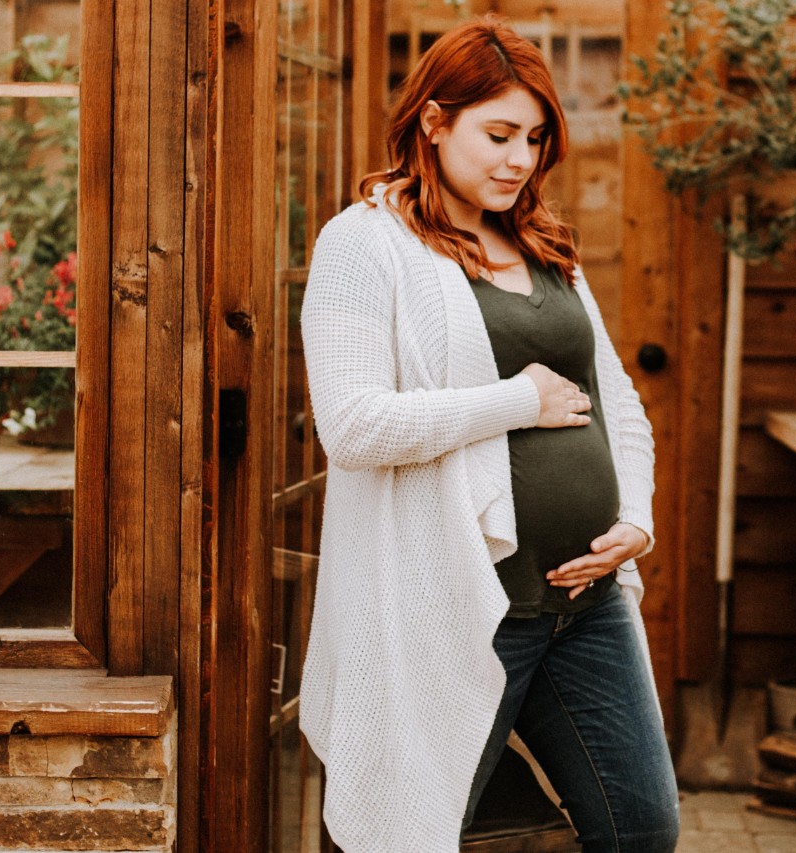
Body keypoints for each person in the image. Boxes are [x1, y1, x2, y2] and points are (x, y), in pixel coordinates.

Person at [298, 16, 679, 853]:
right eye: (499, 134)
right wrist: (514, 401)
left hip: (585, 605)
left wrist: (637, 521)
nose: (520, 159)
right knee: (404, 830)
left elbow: (617, 404)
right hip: (465, 603)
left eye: (535, 138)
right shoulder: (364, 245)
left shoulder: (542, 242)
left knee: (641, 827)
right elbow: (352, 425)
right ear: (433, 122)